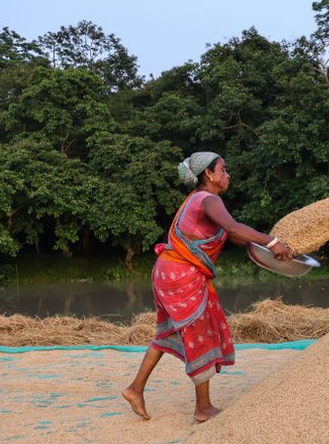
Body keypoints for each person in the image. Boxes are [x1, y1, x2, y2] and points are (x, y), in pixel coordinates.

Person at [121, 151, 291, 422]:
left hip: (170, 271)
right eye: (223, 170)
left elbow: (234, 236)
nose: (227, 175)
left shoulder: (200, 201)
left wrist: (267, 246)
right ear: (209, 174)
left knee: (167, 333)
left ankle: (135, 389)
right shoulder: (207, 199)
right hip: (180, 275)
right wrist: (272, 241)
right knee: (200, 332)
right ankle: (203, 409)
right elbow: (233, 229)